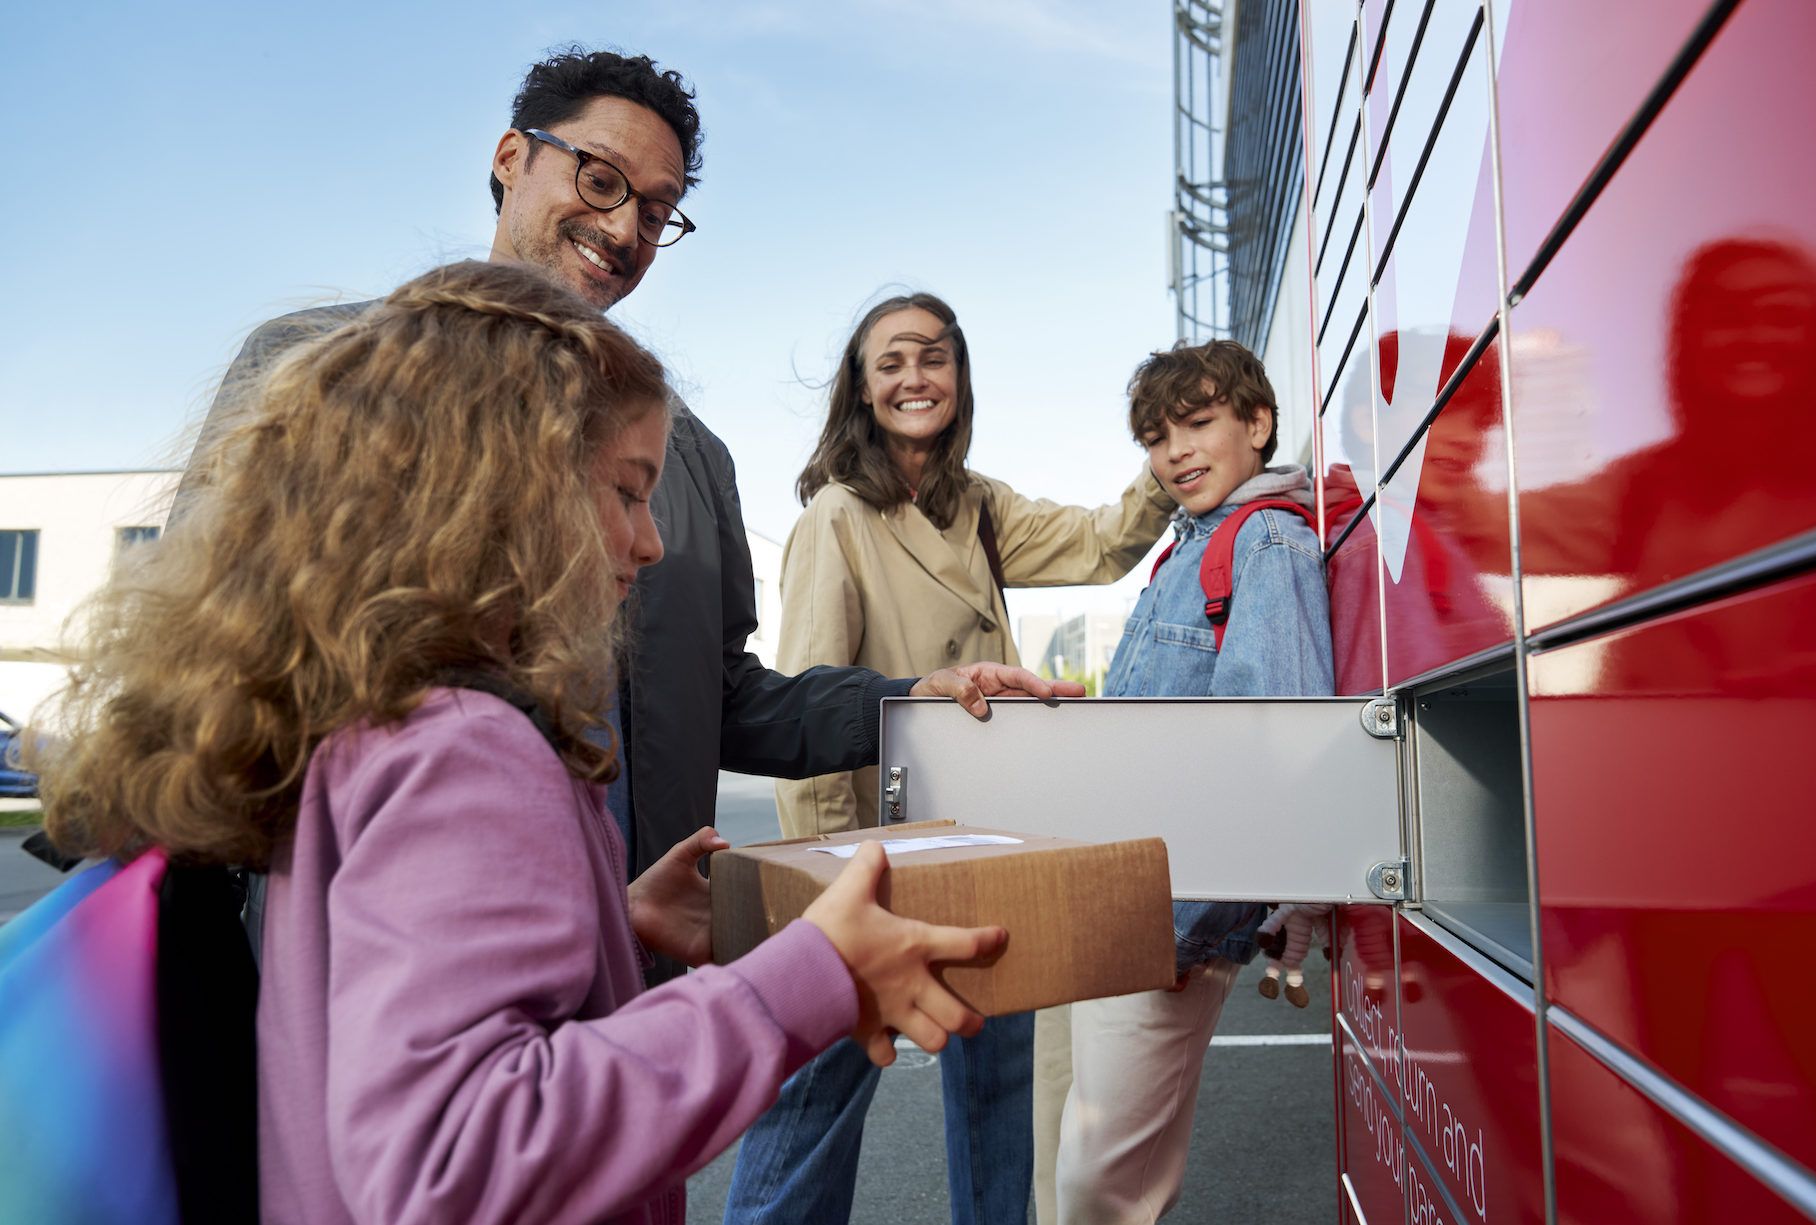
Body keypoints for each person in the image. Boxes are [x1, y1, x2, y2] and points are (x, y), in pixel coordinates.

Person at [31, 260, 1010, 1224]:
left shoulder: (379, 716)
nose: (652, 541)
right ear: (507, 490)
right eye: (627, 492)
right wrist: (808, 976)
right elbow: (454, 1161)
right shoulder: (468, 751)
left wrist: (612, 920)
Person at [178, 49, 1065, 979]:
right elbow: (203, 671)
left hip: (634, 965)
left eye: (654, 210)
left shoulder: (691, 455)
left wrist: (908, 701)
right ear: (511, 157)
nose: (622, 227)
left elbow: (723, 699)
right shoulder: (315, 369)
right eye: (599, 178)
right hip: (365, 968)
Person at [724, 293, 1175, 1225]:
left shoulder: (980, 505)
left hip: (987, 845)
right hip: (874, 865)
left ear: (960, 376)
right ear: (861, 388)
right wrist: (823, 888)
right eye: (890, 362)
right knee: (818, 1096)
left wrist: (1173, 454)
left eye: (933, 356)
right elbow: (810, 711)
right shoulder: (838, 517)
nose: (914, 377)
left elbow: (1101, 543)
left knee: (998, 1087)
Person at [1051, 338, 1333, 1224]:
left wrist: (1252, 908)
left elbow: (1281, 741)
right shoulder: (1192, 546)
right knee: (1095, 1168)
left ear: (1259, 422)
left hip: (1177, 919)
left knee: (1103, 1187)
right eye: (1156, 436)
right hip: (1127, 903)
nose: (1175, 451)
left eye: (1199, 422)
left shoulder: (1266, 543)